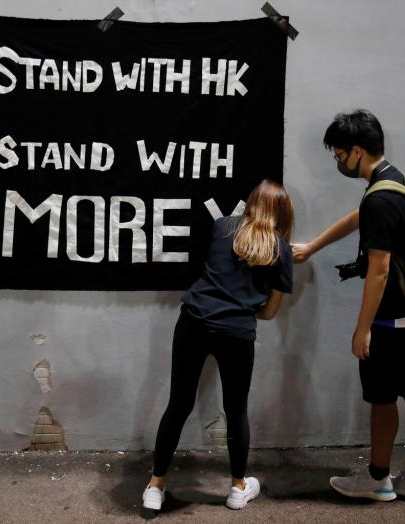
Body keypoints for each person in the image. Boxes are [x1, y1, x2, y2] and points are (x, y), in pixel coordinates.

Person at [292, 109, 405, 509]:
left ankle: (378, 479)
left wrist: (363, 330)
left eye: (340, 155)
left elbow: (379, 270)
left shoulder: (380, 197)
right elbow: (360, 217)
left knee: (382, 398)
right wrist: (313, 246)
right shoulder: (396, 181)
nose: (338, 162)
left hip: (393, 319)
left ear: (357, 151)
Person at [142, 179, 294, 511]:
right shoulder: (281, 250)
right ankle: (238, 488)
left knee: (178, 405)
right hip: (237, 333)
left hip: (193, 322)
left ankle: (155, 486)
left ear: (251, 202)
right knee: (236, 410)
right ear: (283, 211)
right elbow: (269, 313)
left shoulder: (224, 226)